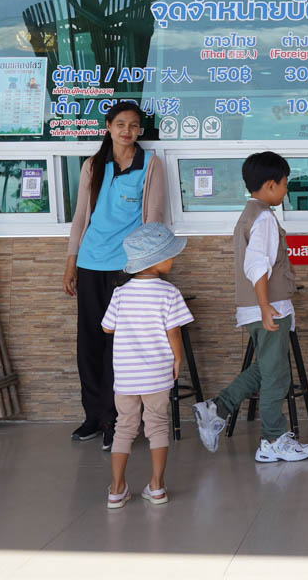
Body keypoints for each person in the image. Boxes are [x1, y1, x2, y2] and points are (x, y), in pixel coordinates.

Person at [193, 151, 308, 463]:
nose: (287, 191)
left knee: (267, 368)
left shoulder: (249, 214)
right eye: (285, 184)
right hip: (269, 308)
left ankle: (216, 408)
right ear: (271, 185)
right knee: (277, 378)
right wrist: (265, 306)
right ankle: (273, 440)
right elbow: (257, 265)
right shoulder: (264, 219)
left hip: (260, 308)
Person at [63, 101, 164, 450]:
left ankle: (116, 421)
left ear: (140, 131)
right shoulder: (94, 165)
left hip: (127, 269)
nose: (127, 131)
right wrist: (71, 263)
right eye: (121, 123)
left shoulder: (150, 165)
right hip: (91, 263)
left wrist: (147, 270)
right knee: (89, 342)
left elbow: (153, 220)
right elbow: (80, 218)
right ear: (108, 125)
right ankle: (94, 415)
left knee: (119, 347)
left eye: (134, 125)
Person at [102, 222, 193, 509]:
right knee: (157, 425)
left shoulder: (120, 294)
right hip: (157, 374)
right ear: (155, 260)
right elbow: (174, 332)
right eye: (170, 254)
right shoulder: (169, 293)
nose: (174, 259)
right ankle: (157, 486)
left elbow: (107, 328)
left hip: (127, 377)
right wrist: (178, 359)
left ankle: (116, 490)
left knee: (124, 427)